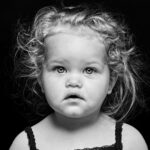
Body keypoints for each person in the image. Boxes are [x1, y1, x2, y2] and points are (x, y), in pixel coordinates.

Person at [9, 3, 148, 150]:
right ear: (40, 79)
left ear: (111, 82)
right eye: (60, 69)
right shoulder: (24, 145)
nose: (73, 82)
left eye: (89, 70)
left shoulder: (130, 142)